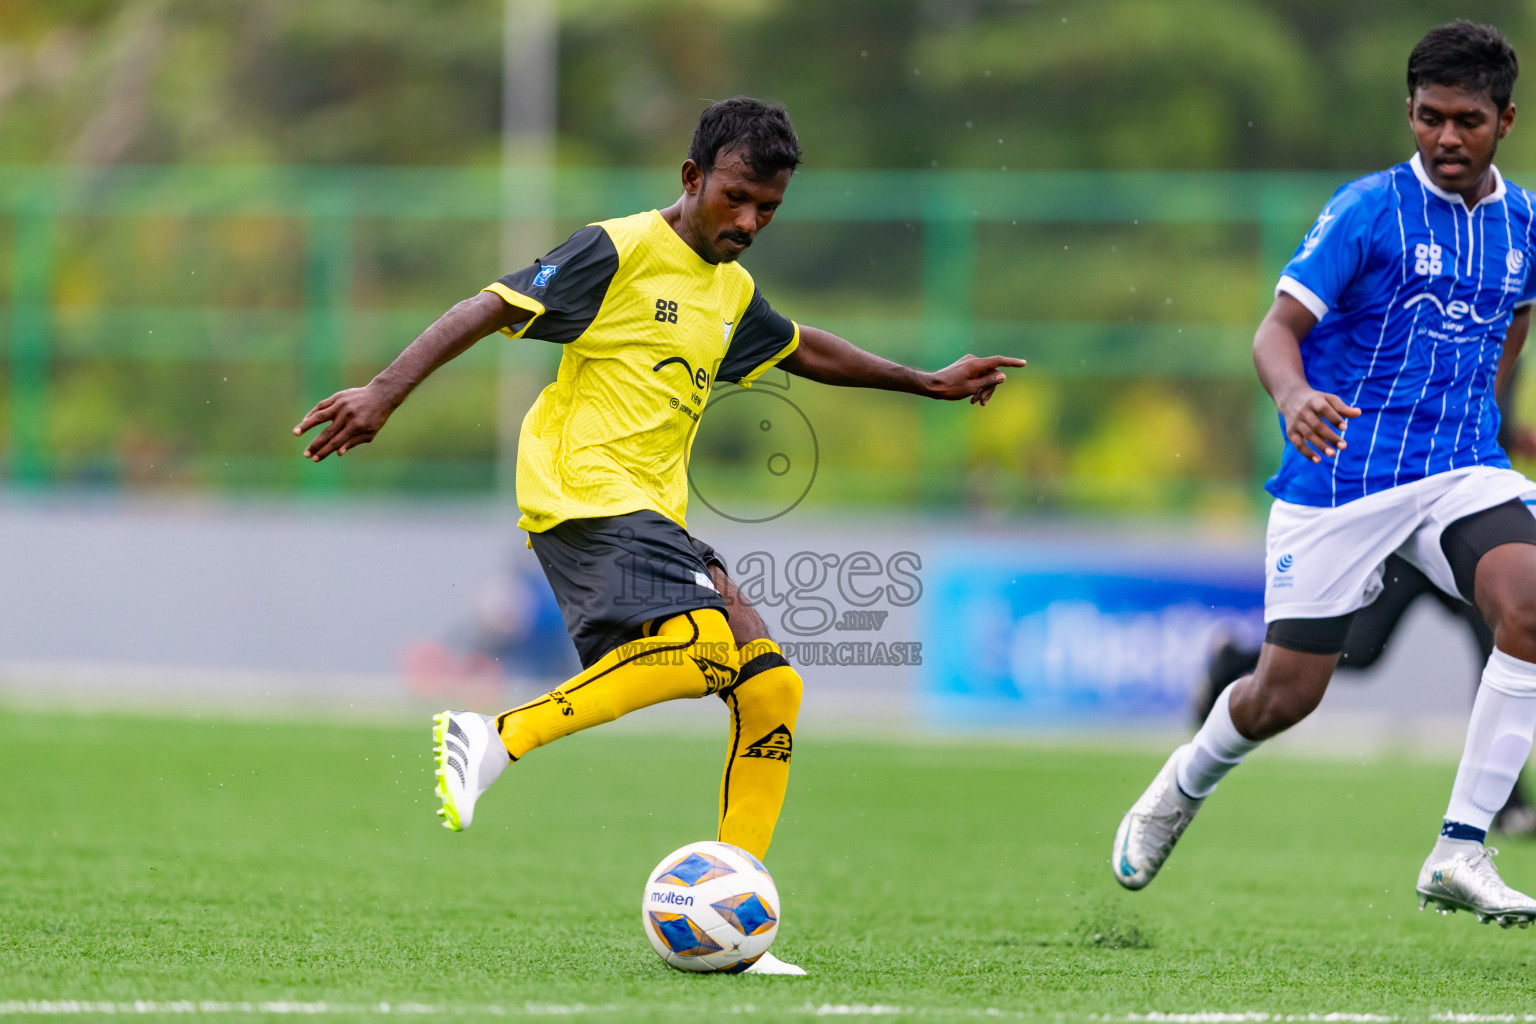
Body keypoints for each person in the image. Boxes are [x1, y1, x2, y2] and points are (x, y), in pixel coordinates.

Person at [293, 97, 1024, 974]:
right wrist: (383, 392)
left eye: (768, 210)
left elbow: (801, 348)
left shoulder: (731, 289)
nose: (749, 222)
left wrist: (925, 383)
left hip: (652, 507)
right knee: (704, 650)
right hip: (581, 492)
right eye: (737, 198)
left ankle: (736, 917)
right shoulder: (618, 249)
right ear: (692, 179)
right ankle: (494, 738)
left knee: (769, 686)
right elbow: (485, 306)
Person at [1112, 22, 1536, 927]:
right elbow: (1275, 331)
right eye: (1429, 119)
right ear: (1410, 114)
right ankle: (1182, 785)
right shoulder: (1365, 211)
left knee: (1531, 606)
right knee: (1285, 695)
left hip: (1461, 466)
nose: (1446, 138)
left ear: (1506, 118)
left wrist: (1494, 418)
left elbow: (1510, 327)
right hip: (1345, 472)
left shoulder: (1525, 223)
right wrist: (1294, 395)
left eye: (1467, 120)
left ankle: (1461, 848)